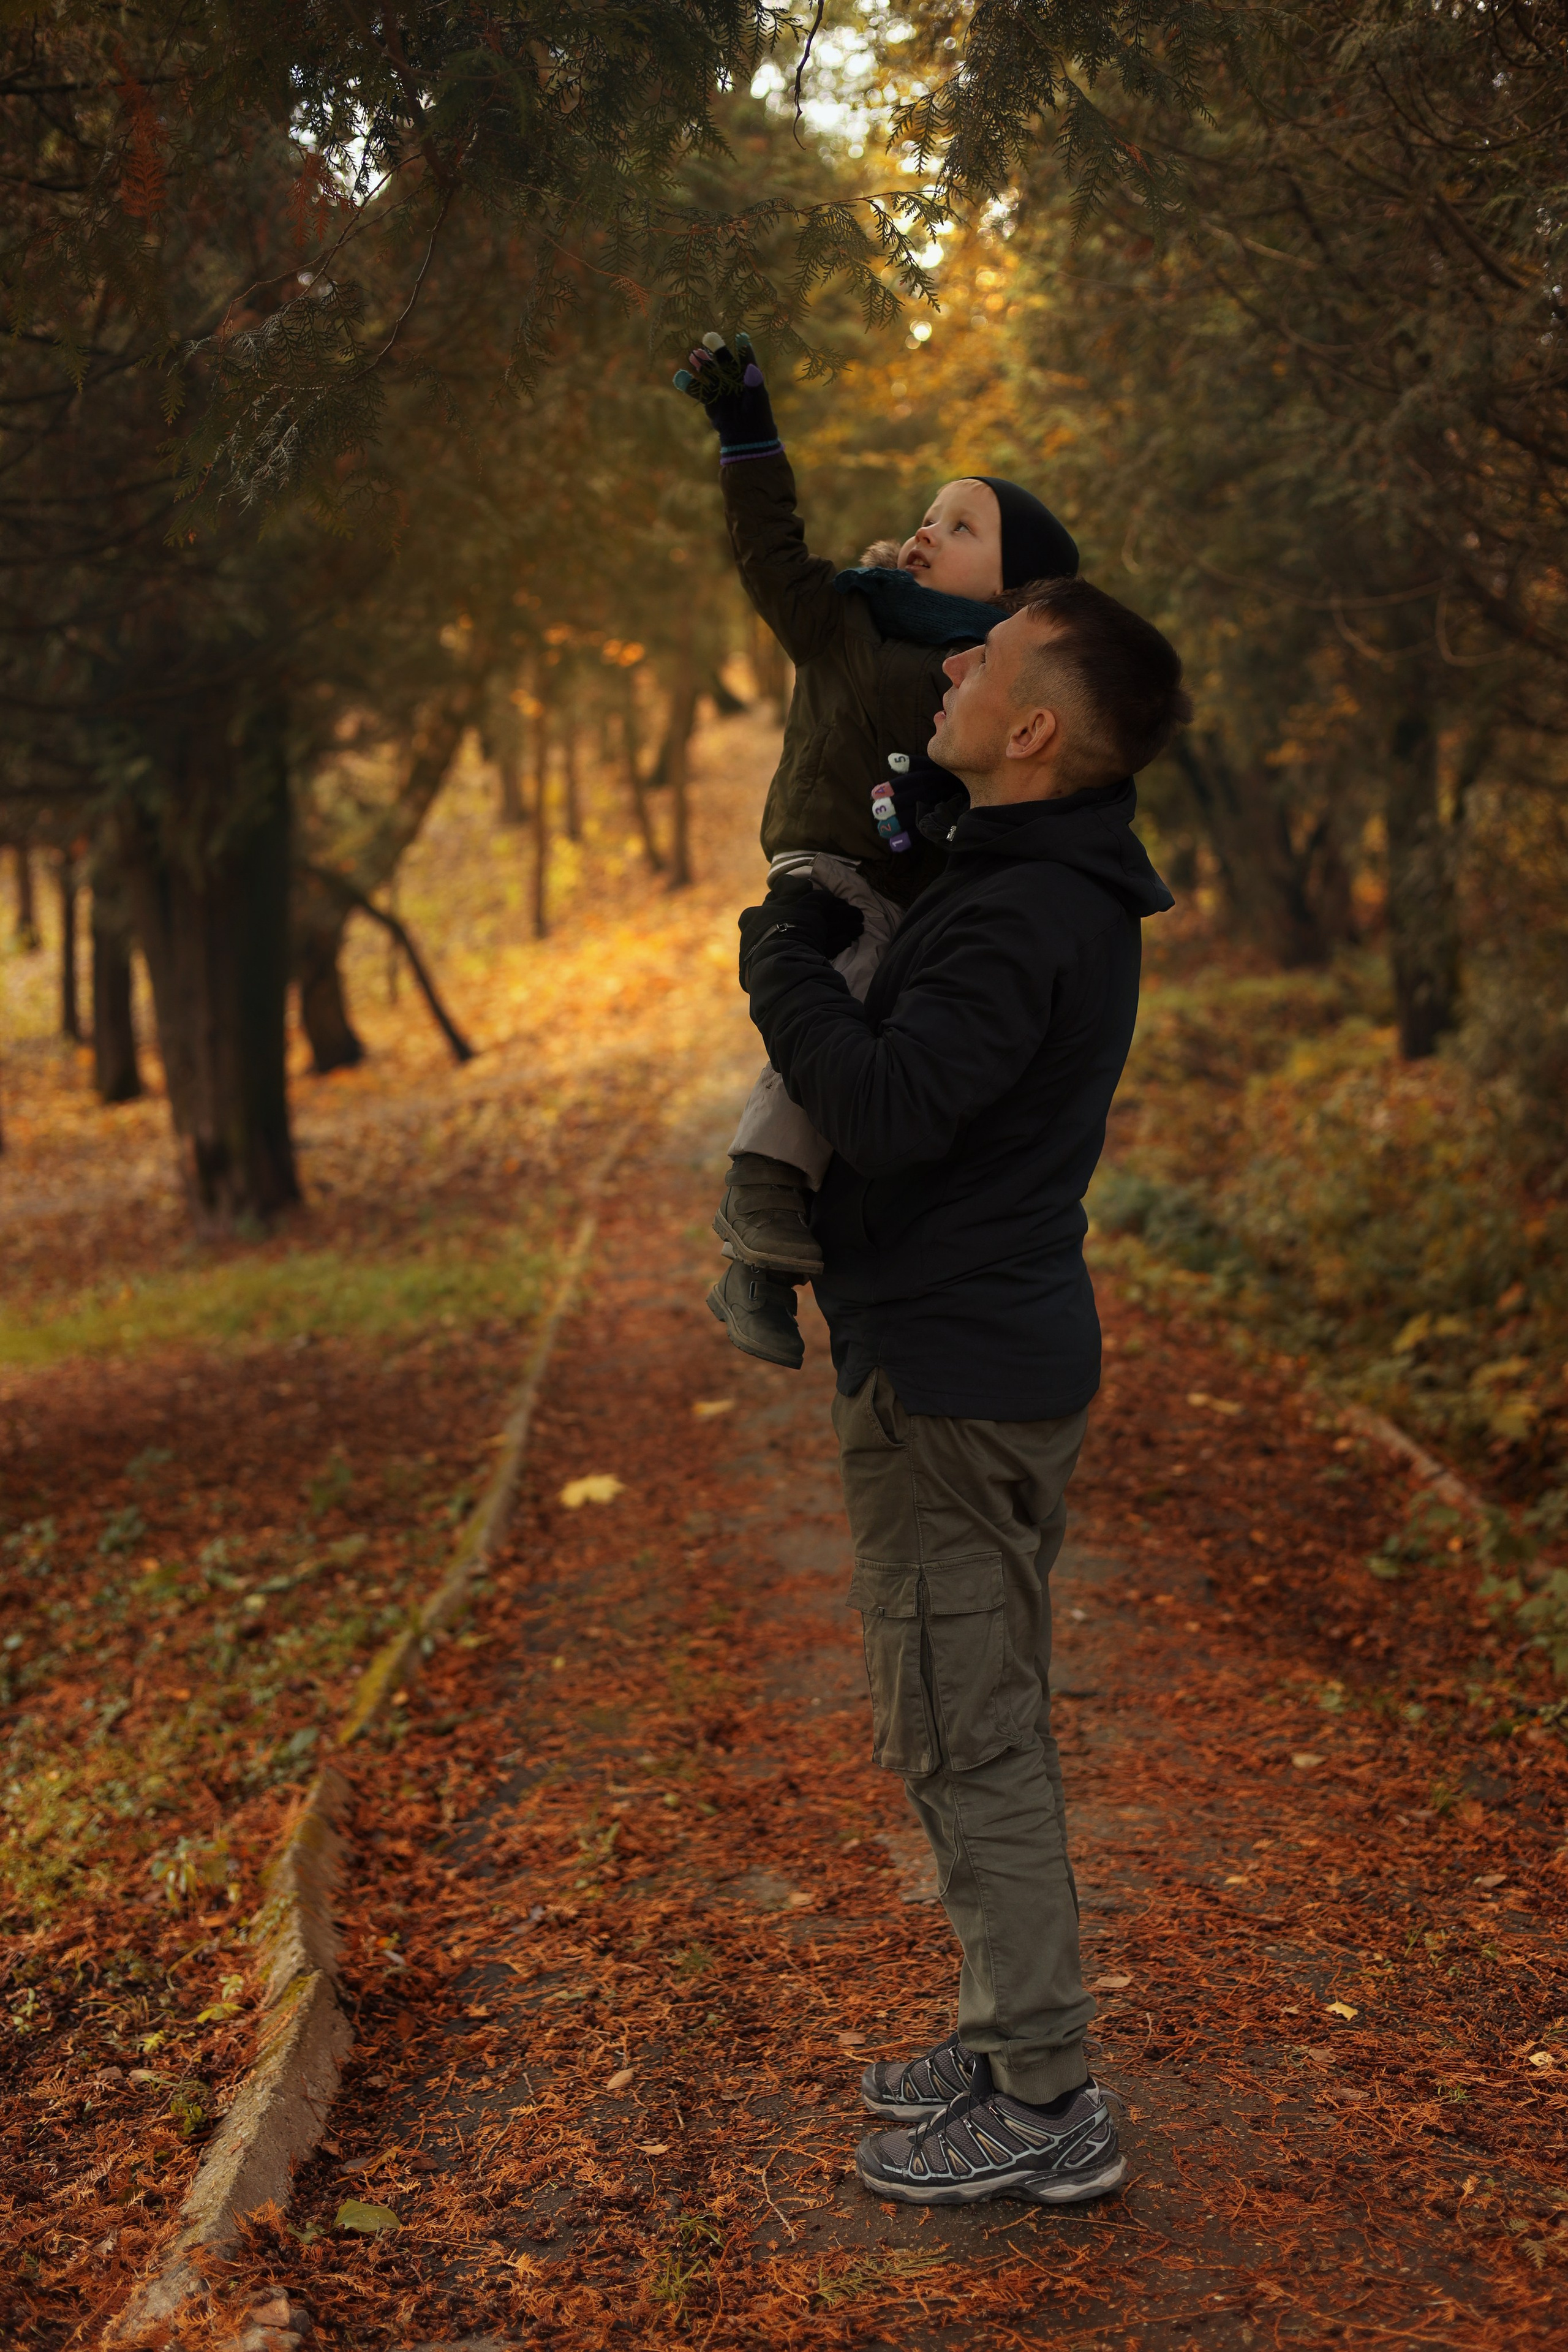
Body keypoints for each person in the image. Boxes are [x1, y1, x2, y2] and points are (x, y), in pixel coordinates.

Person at [736, 575, 1188, 2207]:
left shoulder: (1022, 910)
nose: (953, 664)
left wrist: (775, 960)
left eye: (982, 657)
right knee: (962, 1714)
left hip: (955, 1368)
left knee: (968, 1731)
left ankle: (1050, 2093)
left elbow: (893, 1104)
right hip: (960, 1347)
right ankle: (1008, 2039)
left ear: (1041, 726)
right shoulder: (1024, 870)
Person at [670, 331, 1078, 1370]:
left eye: (962, 524)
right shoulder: (850, 619)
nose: (926, 531)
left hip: (922, 892)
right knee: (840, 990)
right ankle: (760, 1192)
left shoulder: (1002, 676)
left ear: (1018, 592)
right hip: (832, 871)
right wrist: (750, 439)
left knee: (898, 1059)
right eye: (929, 516)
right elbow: (769, 554)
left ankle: (761, 1274)